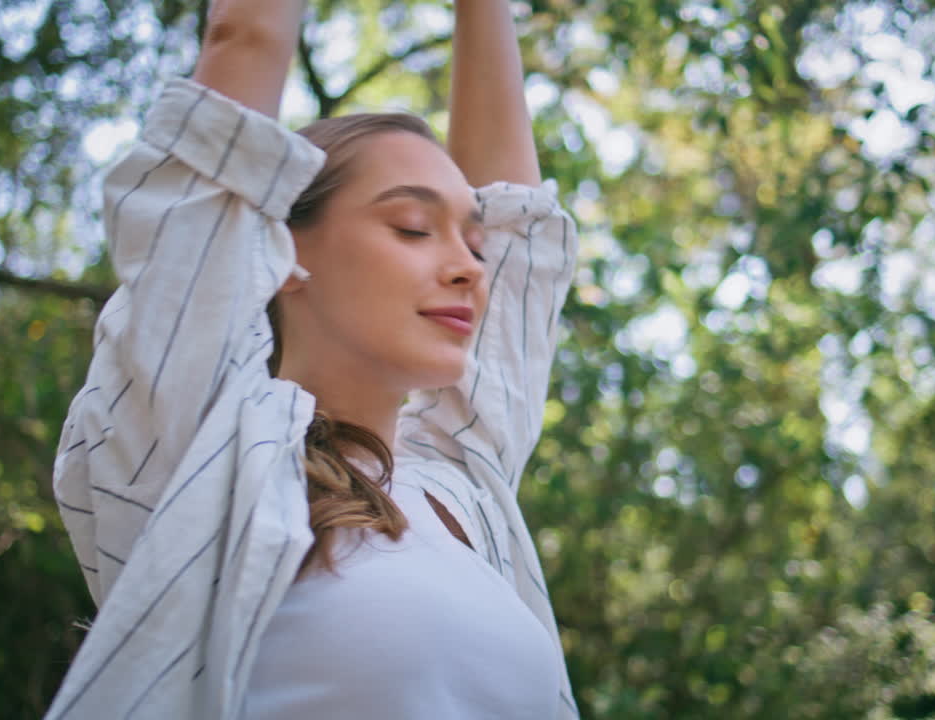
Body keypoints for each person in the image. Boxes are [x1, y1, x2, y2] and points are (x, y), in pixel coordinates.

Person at [46, 0, 579, 717]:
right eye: (414, 227)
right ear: (281, 255)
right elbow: (244, 44)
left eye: (472, 243)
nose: (471, 268)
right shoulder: (205, 446)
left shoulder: (460, 486)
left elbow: (517, 226)